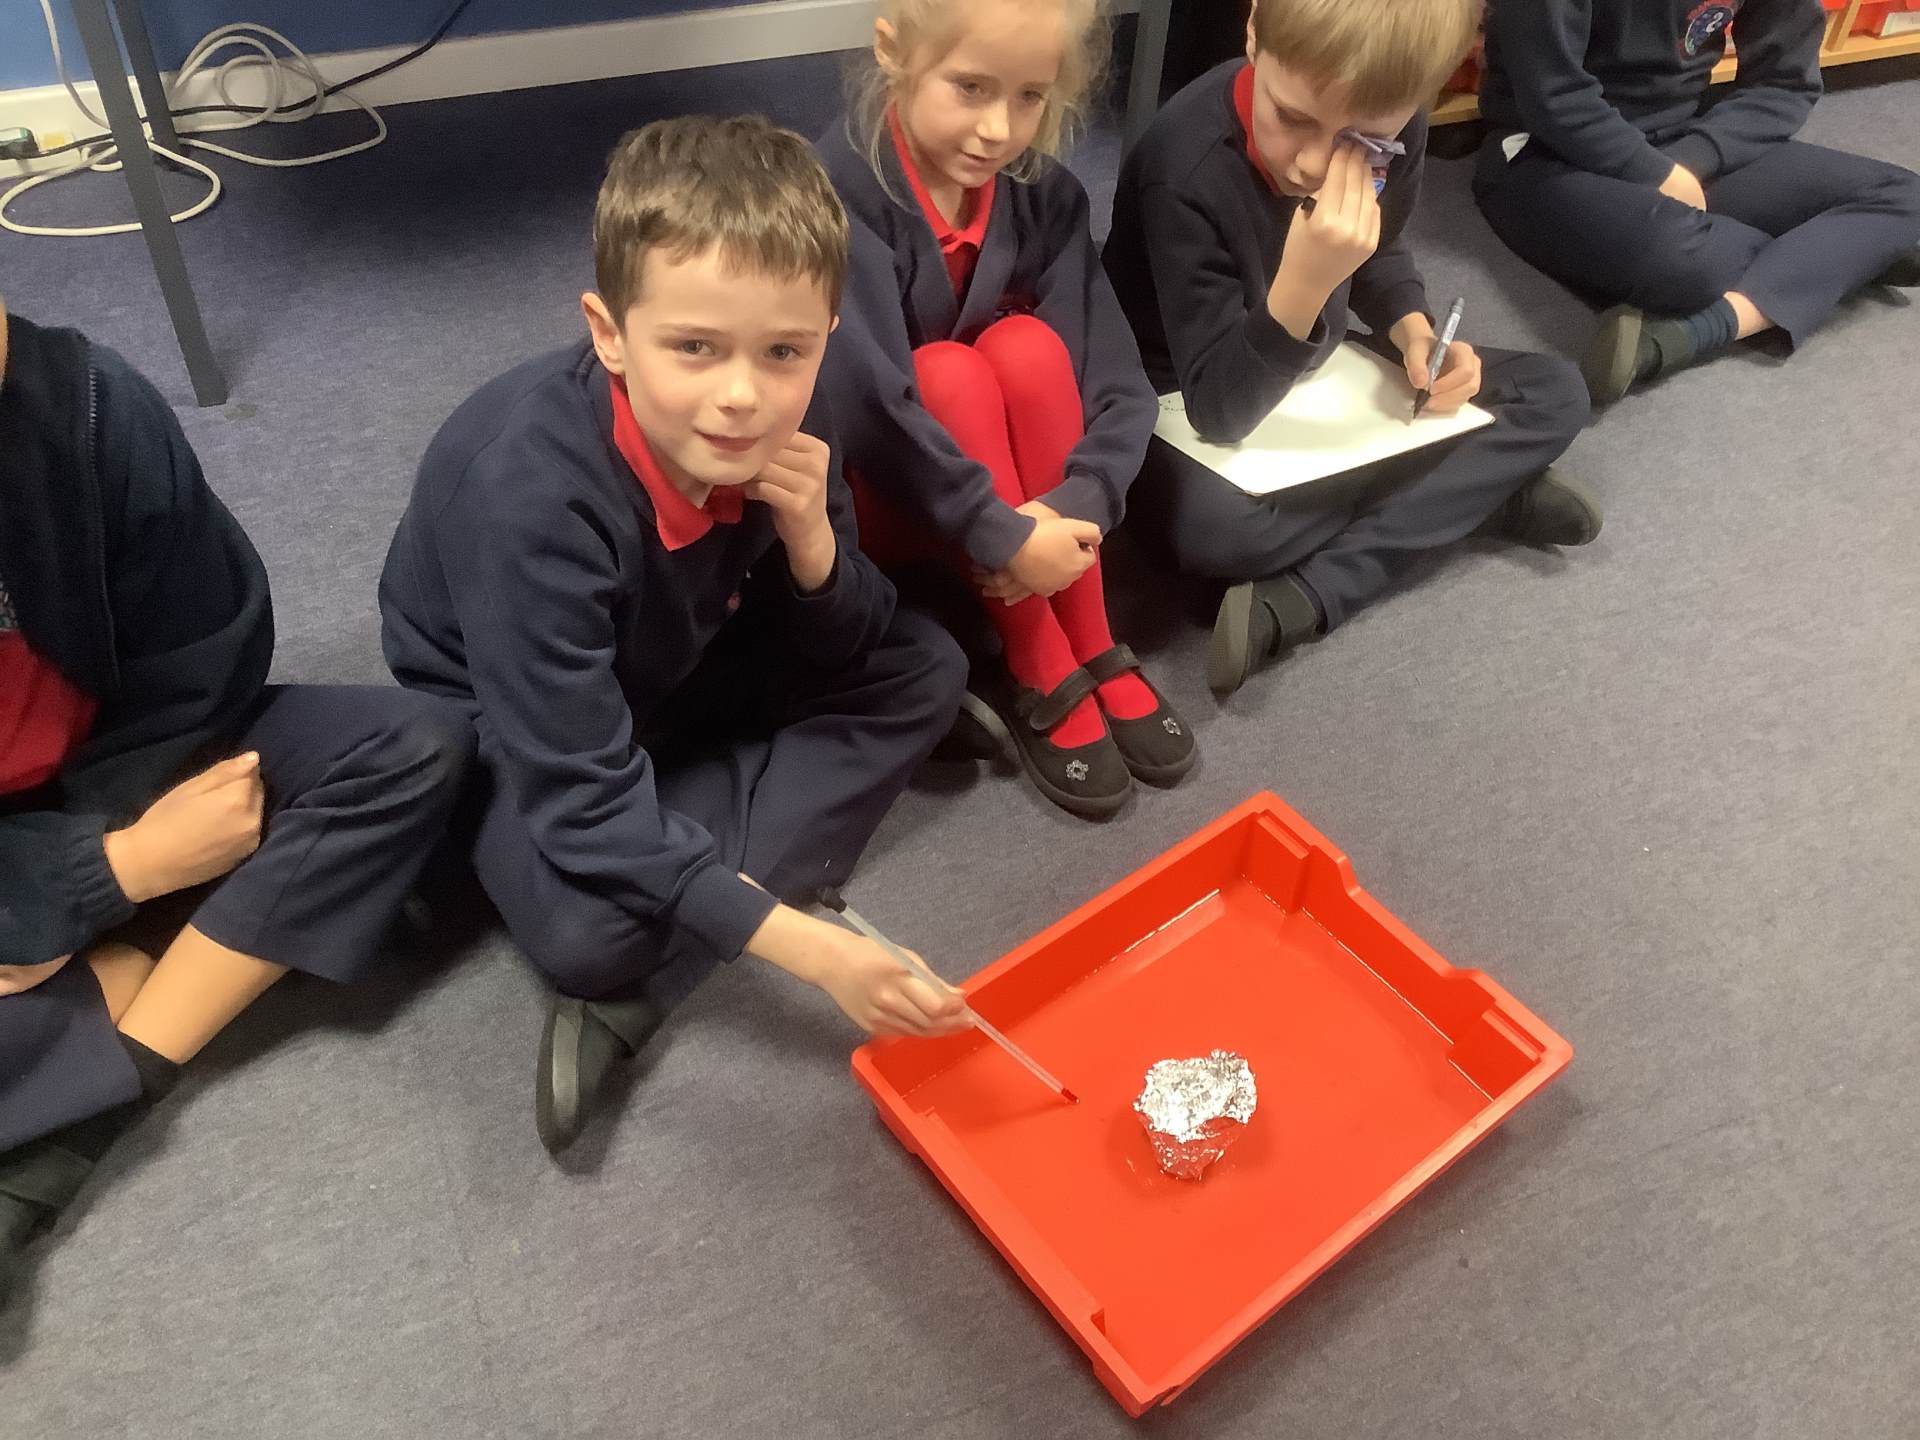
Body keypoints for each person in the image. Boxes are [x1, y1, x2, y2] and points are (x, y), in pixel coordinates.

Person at [379, 115, 973, 1155]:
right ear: (609, 333)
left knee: (929, 666)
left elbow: (847, 643)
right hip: (511, 714)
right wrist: (812, 950)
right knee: (592, 936)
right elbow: (578, 792)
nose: (742, 397)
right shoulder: (529, 498)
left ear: (824, 334)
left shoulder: (794, 410)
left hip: (677, 648)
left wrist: (812, 546)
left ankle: (686, 866)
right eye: (693, 347)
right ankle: (702, 870)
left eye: (784, 351)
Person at [0, 299, 474, 1301]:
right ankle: (140, 981)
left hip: (121, 779)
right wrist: (112, 876)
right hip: (74, 850)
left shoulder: (94, 410)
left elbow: (200, 671)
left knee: (412, 749)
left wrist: (107, 862)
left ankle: (84, 1094)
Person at [1102, 0, 1602, 698]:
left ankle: (1315, 585)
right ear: (1254, 29)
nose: (1314, 165)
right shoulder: (1183, 166)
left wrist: (1416, 332)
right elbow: (1217, 410)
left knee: (1557, 392)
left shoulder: (1397, 122)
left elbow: (1377, 250)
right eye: (1292, 118)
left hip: (1317, 369)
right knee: (1215, 532)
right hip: (1186, 392)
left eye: (1363, 142)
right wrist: (1305, 283)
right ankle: (1469, 496)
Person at [817, 0, 1195, 821]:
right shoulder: (839, 198)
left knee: (1026, 348)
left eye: (1029, 97)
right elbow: (870, 410)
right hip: (891, 494)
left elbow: (1114, 379)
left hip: (1027, 514)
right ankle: (1034, 652)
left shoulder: (1044, 197)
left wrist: (1078, 508)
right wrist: (1005, 537)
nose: (999, 129)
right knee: (946, 373)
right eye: (970, 87)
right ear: (893, 50)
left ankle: (1088, 634)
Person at [1474, 0, 1920, 404]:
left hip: (1682, 139)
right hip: (1546, 152)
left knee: (1905, 196)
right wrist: (1652, 173)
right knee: (1684, 257)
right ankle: (1843, 256)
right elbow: (1554, 97)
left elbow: (1783, 82)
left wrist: (1691, 160)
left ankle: (1696, 333)